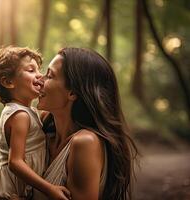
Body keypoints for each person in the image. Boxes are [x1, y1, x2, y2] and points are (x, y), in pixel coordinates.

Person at [33, 47, 138, 200]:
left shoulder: (85, 143)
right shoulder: (42, 127)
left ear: (73, 93)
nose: (39, 80)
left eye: (49, 76)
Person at [0, 46, 70, 200]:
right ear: (9, 82)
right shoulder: (20, 115)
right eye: (31, 70)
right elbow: (15, 162)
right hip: (8, 191)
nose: (40, 76)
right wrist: (50, 189)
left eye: (39, 70)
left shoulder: (30, 112)